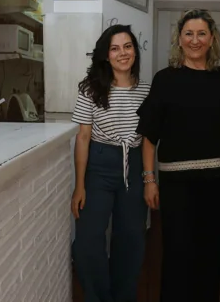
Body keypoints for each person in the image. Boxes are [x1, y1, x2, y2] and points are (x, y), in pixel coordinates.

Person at [137, 9, 220, 302]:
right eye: (189, 33)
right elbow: (149, 137)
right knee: (177, 253)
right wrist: (149, 179)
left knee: (210, 253)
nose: (195, 40)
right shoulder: (165, 80)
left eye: (202, 33)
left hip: (214, 182)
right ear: (179, 39)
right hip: (175, 184)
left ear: (212, 38)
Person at [71, 24, 150, 302]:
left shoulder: (147, 90)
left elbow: (152, 137)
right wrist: (79, 186)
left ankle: (123, 296)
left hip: (135, 164)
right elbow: (83, 138)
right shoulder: (90, 88)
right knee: (88, 240)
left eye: (128, 46)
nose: (122, 53)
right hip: (100, 163)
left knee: (131, 238)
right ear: (106, 55)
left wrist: (150, 179)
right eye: (115, 48)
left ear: (135, 52)